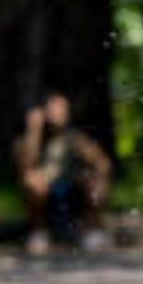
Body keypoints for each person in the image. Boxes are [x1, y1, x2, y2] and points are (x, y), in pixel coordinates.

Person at [17, 92, 112, 252]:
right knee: (31, 181)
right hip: (45, 191)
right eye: (54, 108)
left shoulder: (75, 138)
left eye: (61, 108)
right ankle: (39, 232)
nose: (58, 113)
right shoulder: (35, 139)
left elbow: (103, 163)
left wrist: (92, 177)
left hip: (73, 188)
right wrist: (34, 130)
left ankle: (91, 231)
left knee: (98, 184)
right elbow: (27, 164)